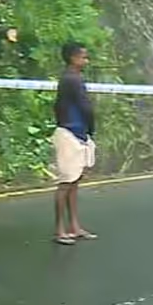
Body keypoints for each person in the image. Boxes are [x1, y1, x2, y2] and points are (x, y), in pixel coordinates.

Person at [52, 41, 97, 245]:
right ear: (72, 58)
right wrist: (90, 127)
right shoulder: (72, 79)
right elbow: (85, 106)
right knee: (66, 183)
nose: (86, 61)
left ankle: (74, 226)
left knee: (74, 181)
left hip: (76, 132)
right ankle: (60, 230)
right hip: (70, 133)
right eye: (83, 57)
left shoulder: (71, 78)